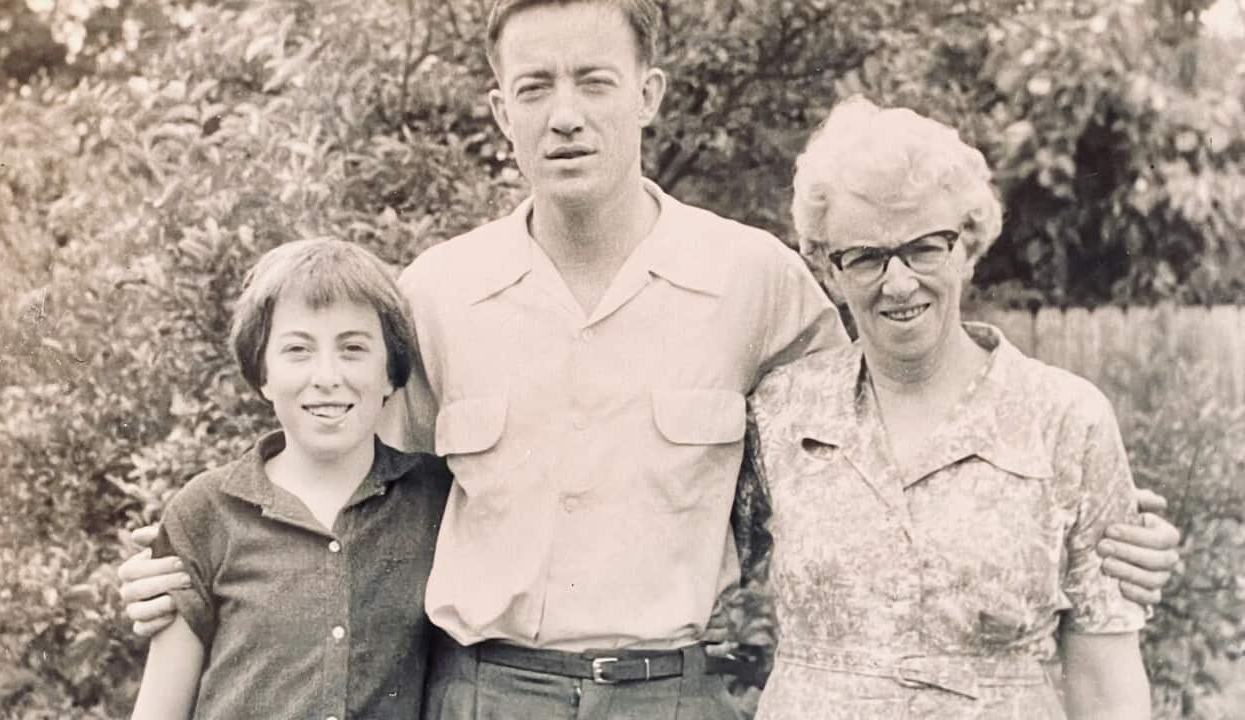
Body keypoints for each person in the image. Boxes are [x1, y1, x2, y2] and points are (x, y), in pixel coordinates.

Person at [118, 2, 1181, 718]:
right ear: (500, 114)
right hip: (487, 695)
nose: (564, 113)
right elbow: (350, 493)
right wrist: (189, 571)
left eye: (593, 80)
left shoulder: (756, 279)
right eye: (533, 88)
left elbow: (895, 404)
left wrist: (1102, 531)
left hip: (669, 698)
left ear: (651, 95)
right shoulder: (435, 292)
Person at [747, 96, 1150, 719]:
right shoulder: (781, 414)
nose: (899, 282)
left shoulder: (1065, 419)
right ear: (829, 269)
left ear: (967, 245)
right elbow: (686, 548)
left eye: (925, 248)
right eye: (866, 257)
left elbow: (1106, 681)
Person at [129, 239, 450, 719]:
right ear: (263, 373)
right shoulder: (206, 511)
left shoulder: (435, 499)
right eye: (298, 349)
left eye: (353, 348)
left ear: (391, 373)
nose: (326, 376)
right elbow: (160, 708)